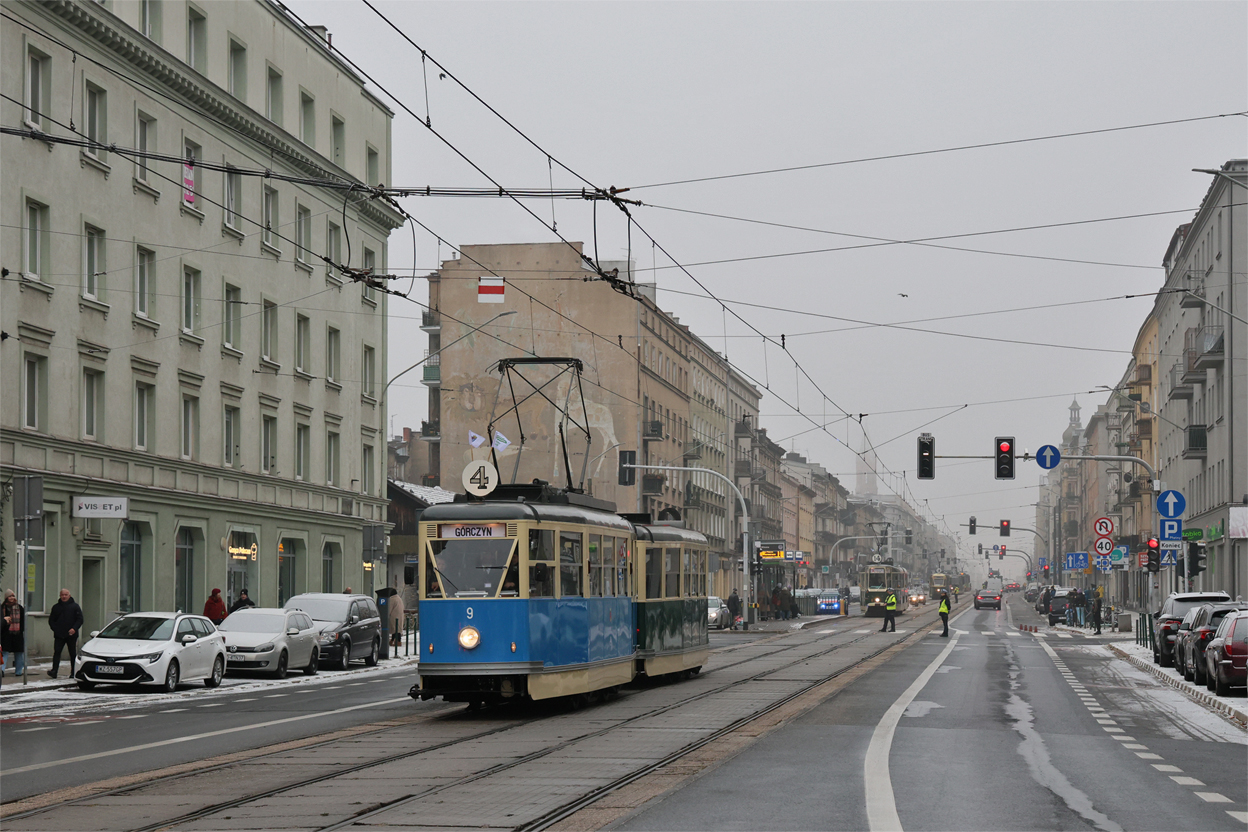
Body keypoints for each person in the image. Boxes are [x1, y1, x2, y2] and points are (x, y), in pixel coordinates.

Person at [47, 588, 83, 679]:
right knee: (57, 652)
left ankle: (73, 672)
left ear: (69, 596)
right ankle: (54, 671)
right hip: (59, 635)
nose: (64, 596)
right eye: (62, 595)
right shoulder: (56, 607)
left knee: (72, 653)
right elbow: (51, 621)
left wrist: (74, 628)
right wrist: (56, 630)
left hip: (71, 635)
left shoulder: (75, 606)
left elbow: (80, 619)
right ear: (60, 596)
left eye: (66, 595)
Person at [3, 588, 27, 678]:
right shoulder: (3, 608)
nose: (12, 597)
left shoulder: (19, 608)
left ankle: (19, 671)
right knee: (4, 652)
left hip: (17, 634)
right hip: (6, 634)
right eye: (10, 596)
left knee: (19, 653)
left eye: (13, 596)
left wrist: (21, 631)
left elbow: (23, 621)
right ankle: (1, 670)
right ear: (6, 597)